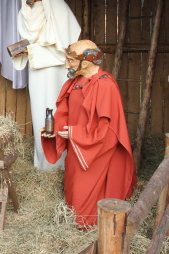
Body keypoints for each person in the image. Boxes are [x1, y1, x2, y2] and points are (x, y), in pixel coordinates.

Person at [41, 40, 137, 228]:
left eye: (71, 60)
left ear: (86, 61)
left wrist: (75, 133)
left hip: (97, 152)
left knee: (83, 212)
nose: (67, 65)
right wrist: (54, 130)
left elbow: (107, 130)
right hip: (76, 148)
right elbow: (64, 114)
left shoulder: (106, 85)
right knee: (73, 190)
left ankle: (91, 222)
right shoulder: (74, 83)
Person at [12, 0, 81, 170]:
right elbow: (30, 41)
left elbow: (64, 48)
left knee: (56, 111)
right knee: (39, 112)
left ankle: (60, 163)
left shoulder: (58, 9)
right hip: (36, 71)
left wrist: (32, 50)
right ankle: (43, 163)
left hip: (55, 72)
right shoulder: (24, 11)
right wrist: (21, 50)